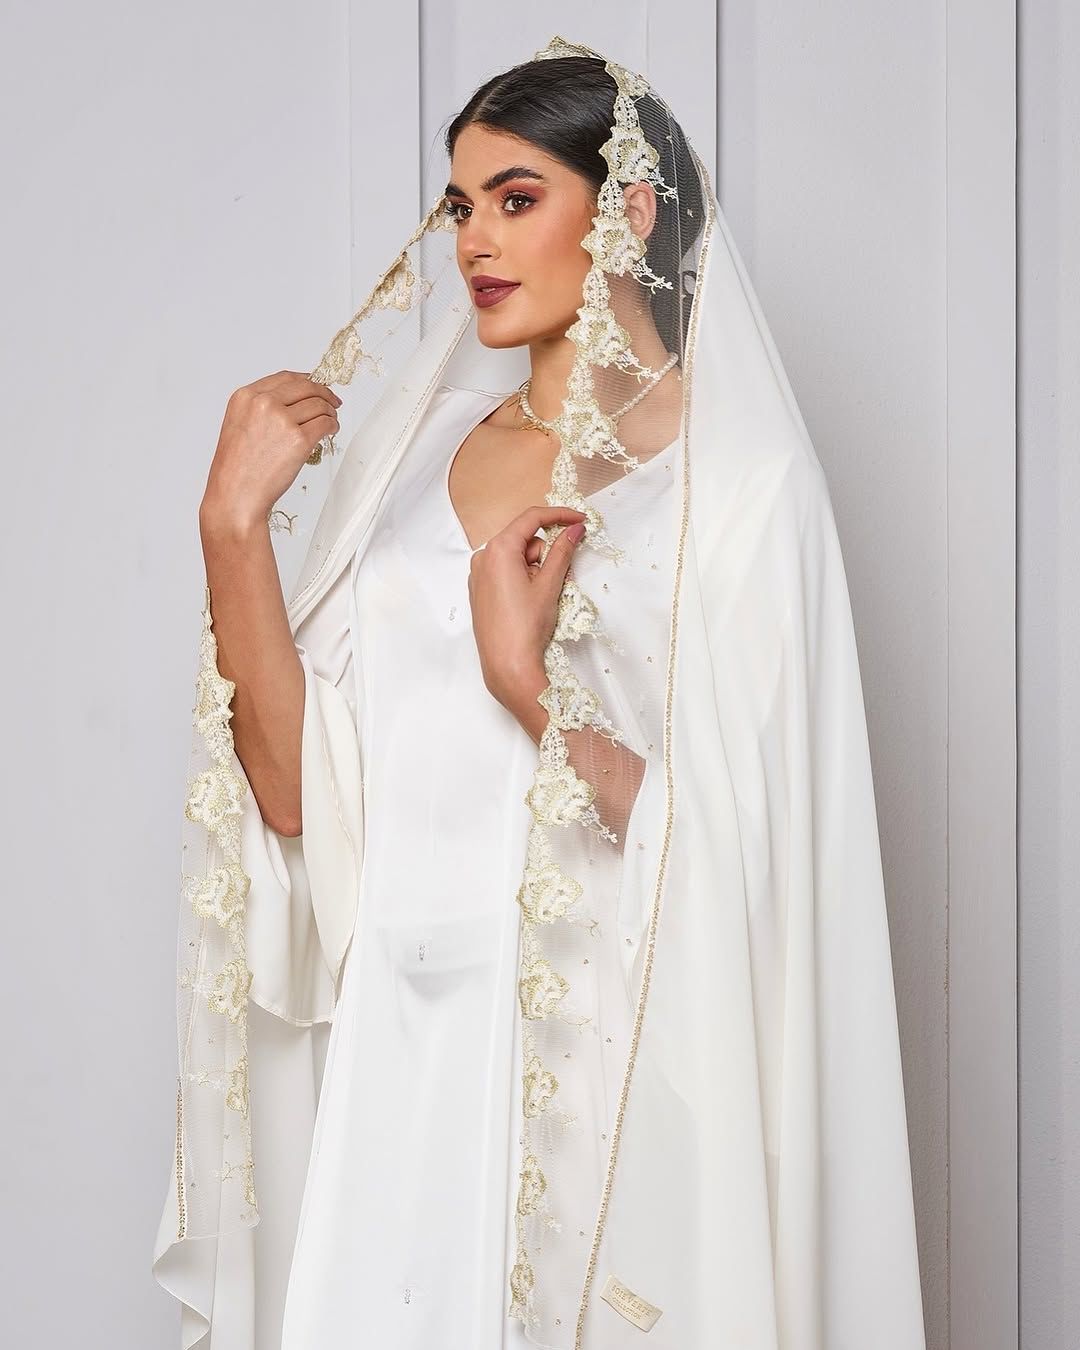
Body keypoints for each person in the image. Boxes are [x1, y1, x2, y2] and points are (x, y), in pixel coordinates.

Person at [153, 35, 928, 1350]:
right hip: (401, 1048)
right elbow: (299, 802)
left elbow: (772, 868)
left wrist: (530, 692)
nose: (475, 241)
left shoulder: (739, 490)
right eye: (461, 206)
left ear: (629, 210)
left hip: (602, 1062)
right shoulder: (409, 465)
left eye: (517, 198)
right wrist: (233, 531)